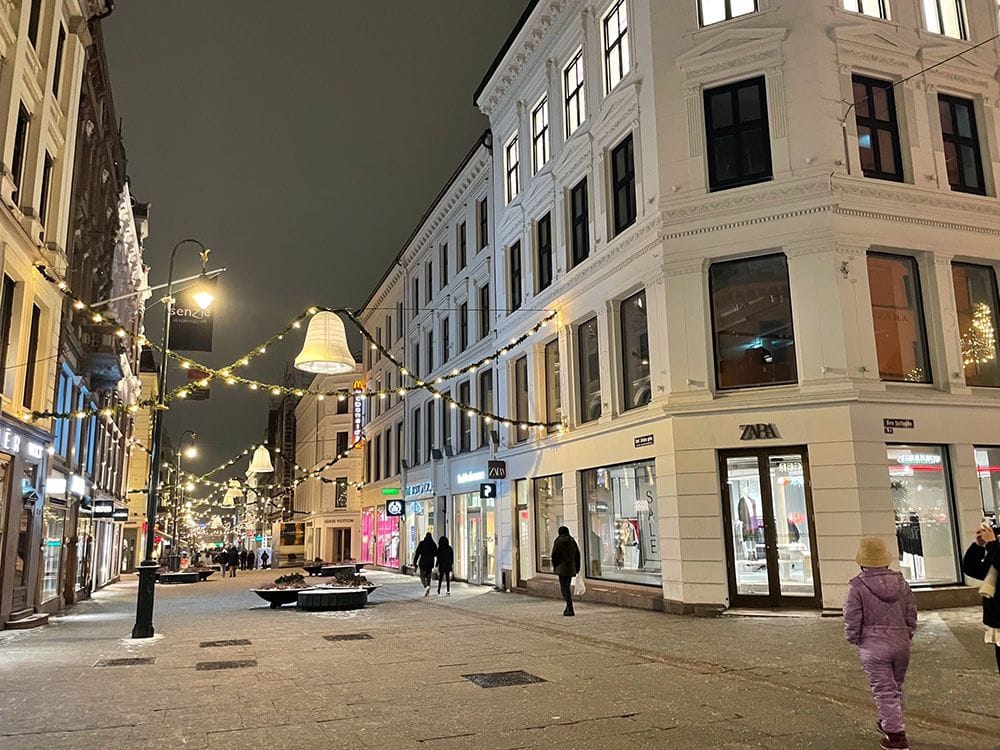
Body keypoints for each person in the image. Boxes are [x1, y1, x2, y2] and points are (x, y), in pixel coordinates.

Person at [843, 536, 917, 750]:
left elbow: (852, 616)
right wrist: (907, 634)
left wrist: (853, 637)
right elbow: (911, 613)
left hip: (873, 645)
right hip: (901, 643)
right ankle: (890, 720)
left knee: (884, 689)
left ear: (862, 561)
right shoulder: (902, 583)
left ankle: (895, 735)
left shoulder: (857, 586)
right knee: (896, 686)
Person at [961, 519, 1000, 674]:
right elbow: (972, 569)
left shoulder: (996, 550)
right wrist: (979, 546)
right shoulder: (996, 551)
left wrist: (992, 545)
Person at [550, 526, 581, 617]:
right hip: (571, 568)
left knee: (564, 588)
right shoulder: (572, 541)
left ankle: (569, 606)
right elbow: (577, 555)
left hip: (561, 568)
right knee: (567, 585)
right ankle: (568, 607)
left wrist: (555, 566)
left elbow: (554, 555)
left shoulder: (558, 541)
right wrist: (577, 567)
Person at [413, 532, 437, 597]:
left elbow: (417, 553)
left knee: (422, 576)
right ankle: (428, 589)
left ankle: (426, 586)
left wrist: (414, 563)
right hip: (430, 563)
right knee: (429, 576)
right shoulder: (433, 544)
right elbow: (436, 553)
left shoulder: (422, 543)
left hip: (423, 562)